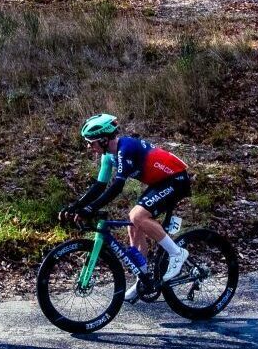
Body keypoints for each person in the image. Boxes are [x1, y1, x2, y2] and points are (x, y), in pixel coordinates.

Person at [59, 114, 190, 295]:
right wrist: (76, 205)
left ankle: (177, 253)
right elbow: (100, 186)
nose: (89, 147)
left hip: (176, 179)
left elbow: (117, 186)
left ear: (104, 140)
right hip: (160, 183)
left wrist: (90, 209)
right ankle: (143, 280)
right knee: (133, 226)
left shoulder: (125, 148)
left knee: (137, 216)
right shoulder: (108, 156)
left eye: (92, 142)